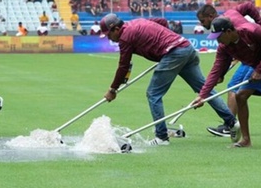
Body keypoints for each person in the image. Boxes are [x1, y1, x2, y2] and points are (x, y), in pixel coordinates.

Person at [100, 13, 239, 145]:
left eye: (109, 35)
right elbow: (162, 22)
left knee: (153, 94)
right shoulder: (137, 21)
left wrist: (113, 89)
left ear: (117, 29)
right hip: (185, 47)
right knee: (204, 89)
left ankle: (161, 137)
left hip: (174, 53)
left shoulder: (125, 37)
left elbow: (123, 66)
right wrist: (162, 43)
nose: (109, 38)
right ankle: (232, 122)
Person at [193, 17, 261, 148]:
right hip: (254, 66)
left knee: (241, 94)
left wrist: (259, 69)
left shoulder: (252, 31)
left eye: (219, 36)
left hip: (258, 66)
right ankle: (246, 140)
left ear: (229, 31)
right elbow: (216, 70)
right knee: (240, 96)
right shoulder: (224, 47)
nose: (218, 40)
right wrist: (202, 95)